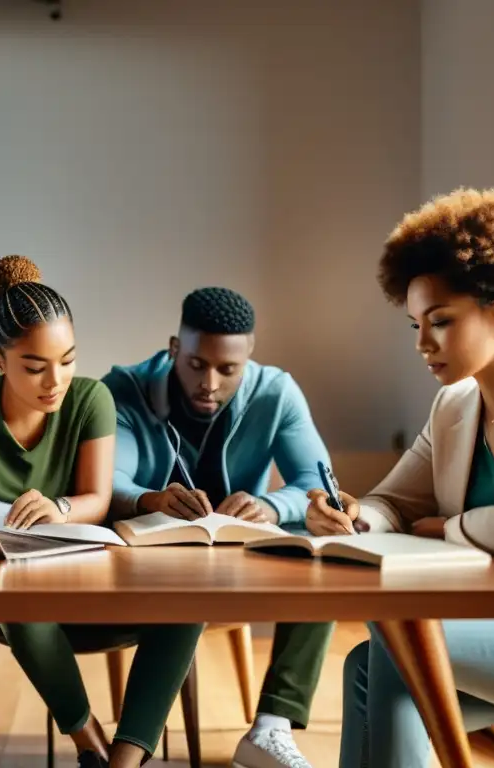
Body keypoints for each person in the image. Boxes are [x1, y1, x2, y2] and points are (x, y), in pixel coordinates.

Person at [301, 189, 494, 768]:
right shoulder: (453, 408)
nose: (423, 343)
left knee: (400, 650)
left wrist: (439, 526)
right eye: (415, 324)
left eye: (441, 322)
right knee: (369, 665)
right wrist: (355, 516)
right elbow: (392, 501)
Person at [0, 255, 203, 768]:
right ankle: (87, 738)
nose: (56, 380)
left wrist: (60, 508)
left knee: (188, 604)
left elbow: (97, 497)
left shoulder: (91, 398)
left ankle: (124, 758)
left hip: (87, 583)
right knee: (20, 598)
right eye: (34, 366)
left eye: (68, 359)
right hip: (2, 600)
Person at [102, 286, 336, 768]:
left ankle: (272, 727)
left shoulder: (276, 391)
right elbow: (109, 480)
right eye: (195, 364)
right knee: (186, 576)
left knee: (325, 548)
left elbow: (318, 484)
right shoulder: (124, 388)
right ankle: (133, 751)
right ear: (174, 349)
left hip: (235, 555)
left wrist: (270, 507)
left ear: (248, 357)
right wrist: (152, 499)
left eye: (228, 369)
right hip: (146, 557)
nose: (210, 381)